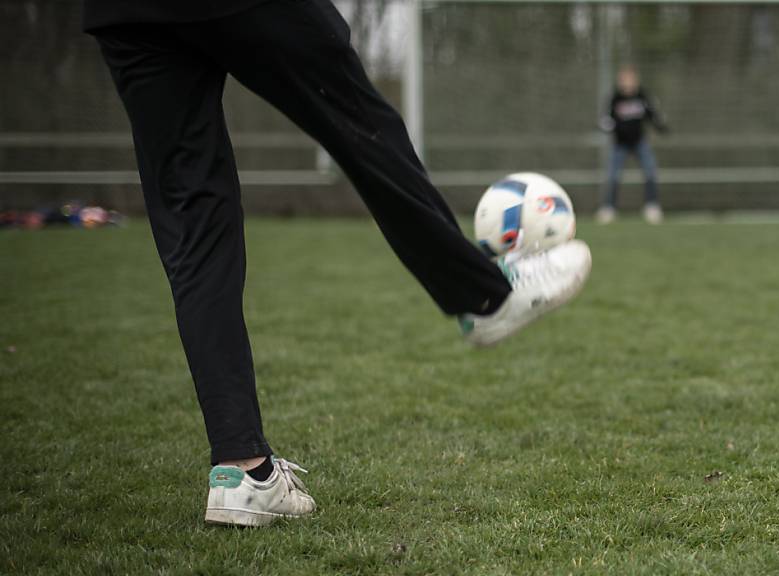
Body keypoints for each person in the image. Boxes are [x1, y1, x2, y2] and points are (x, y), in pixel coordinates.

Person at [83, 0, 591, 527]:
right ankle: (483, 297)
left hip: (127, 13)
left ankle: (243, 471)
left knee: (194, 223)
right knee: (358, 121)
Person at [596, 65, 669, 225]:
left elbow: (653, 114)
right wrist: (613, 126)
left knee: (650, 172)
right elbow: (605, 120)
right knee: (613, 176)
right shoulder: (615, 98)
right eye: (624, 80)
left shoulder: (643, 96)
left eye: (630, 80)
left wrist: (660, 126)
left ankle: (652, 206)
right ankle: (609, 209)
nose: (627, 83)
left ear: (635, 81)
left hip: (639, 142)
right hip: (620, 144)